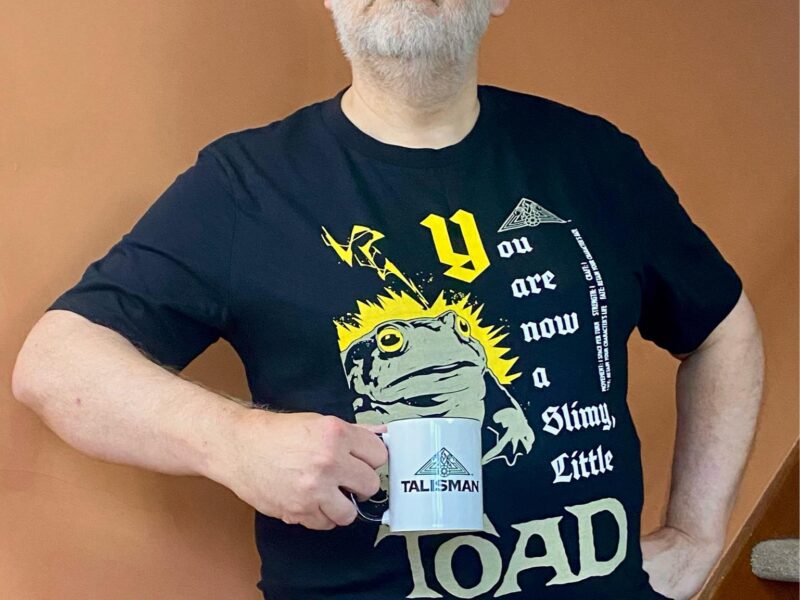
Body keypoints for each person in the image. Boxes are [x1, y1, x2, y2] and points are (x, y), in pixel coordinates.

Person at [11, 1, 765, 599]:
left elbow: (722, 327)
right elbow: (55, 364)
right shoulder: (246, 186)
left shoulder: (594, 159)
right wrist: (233, 441)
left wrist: (697, 535)